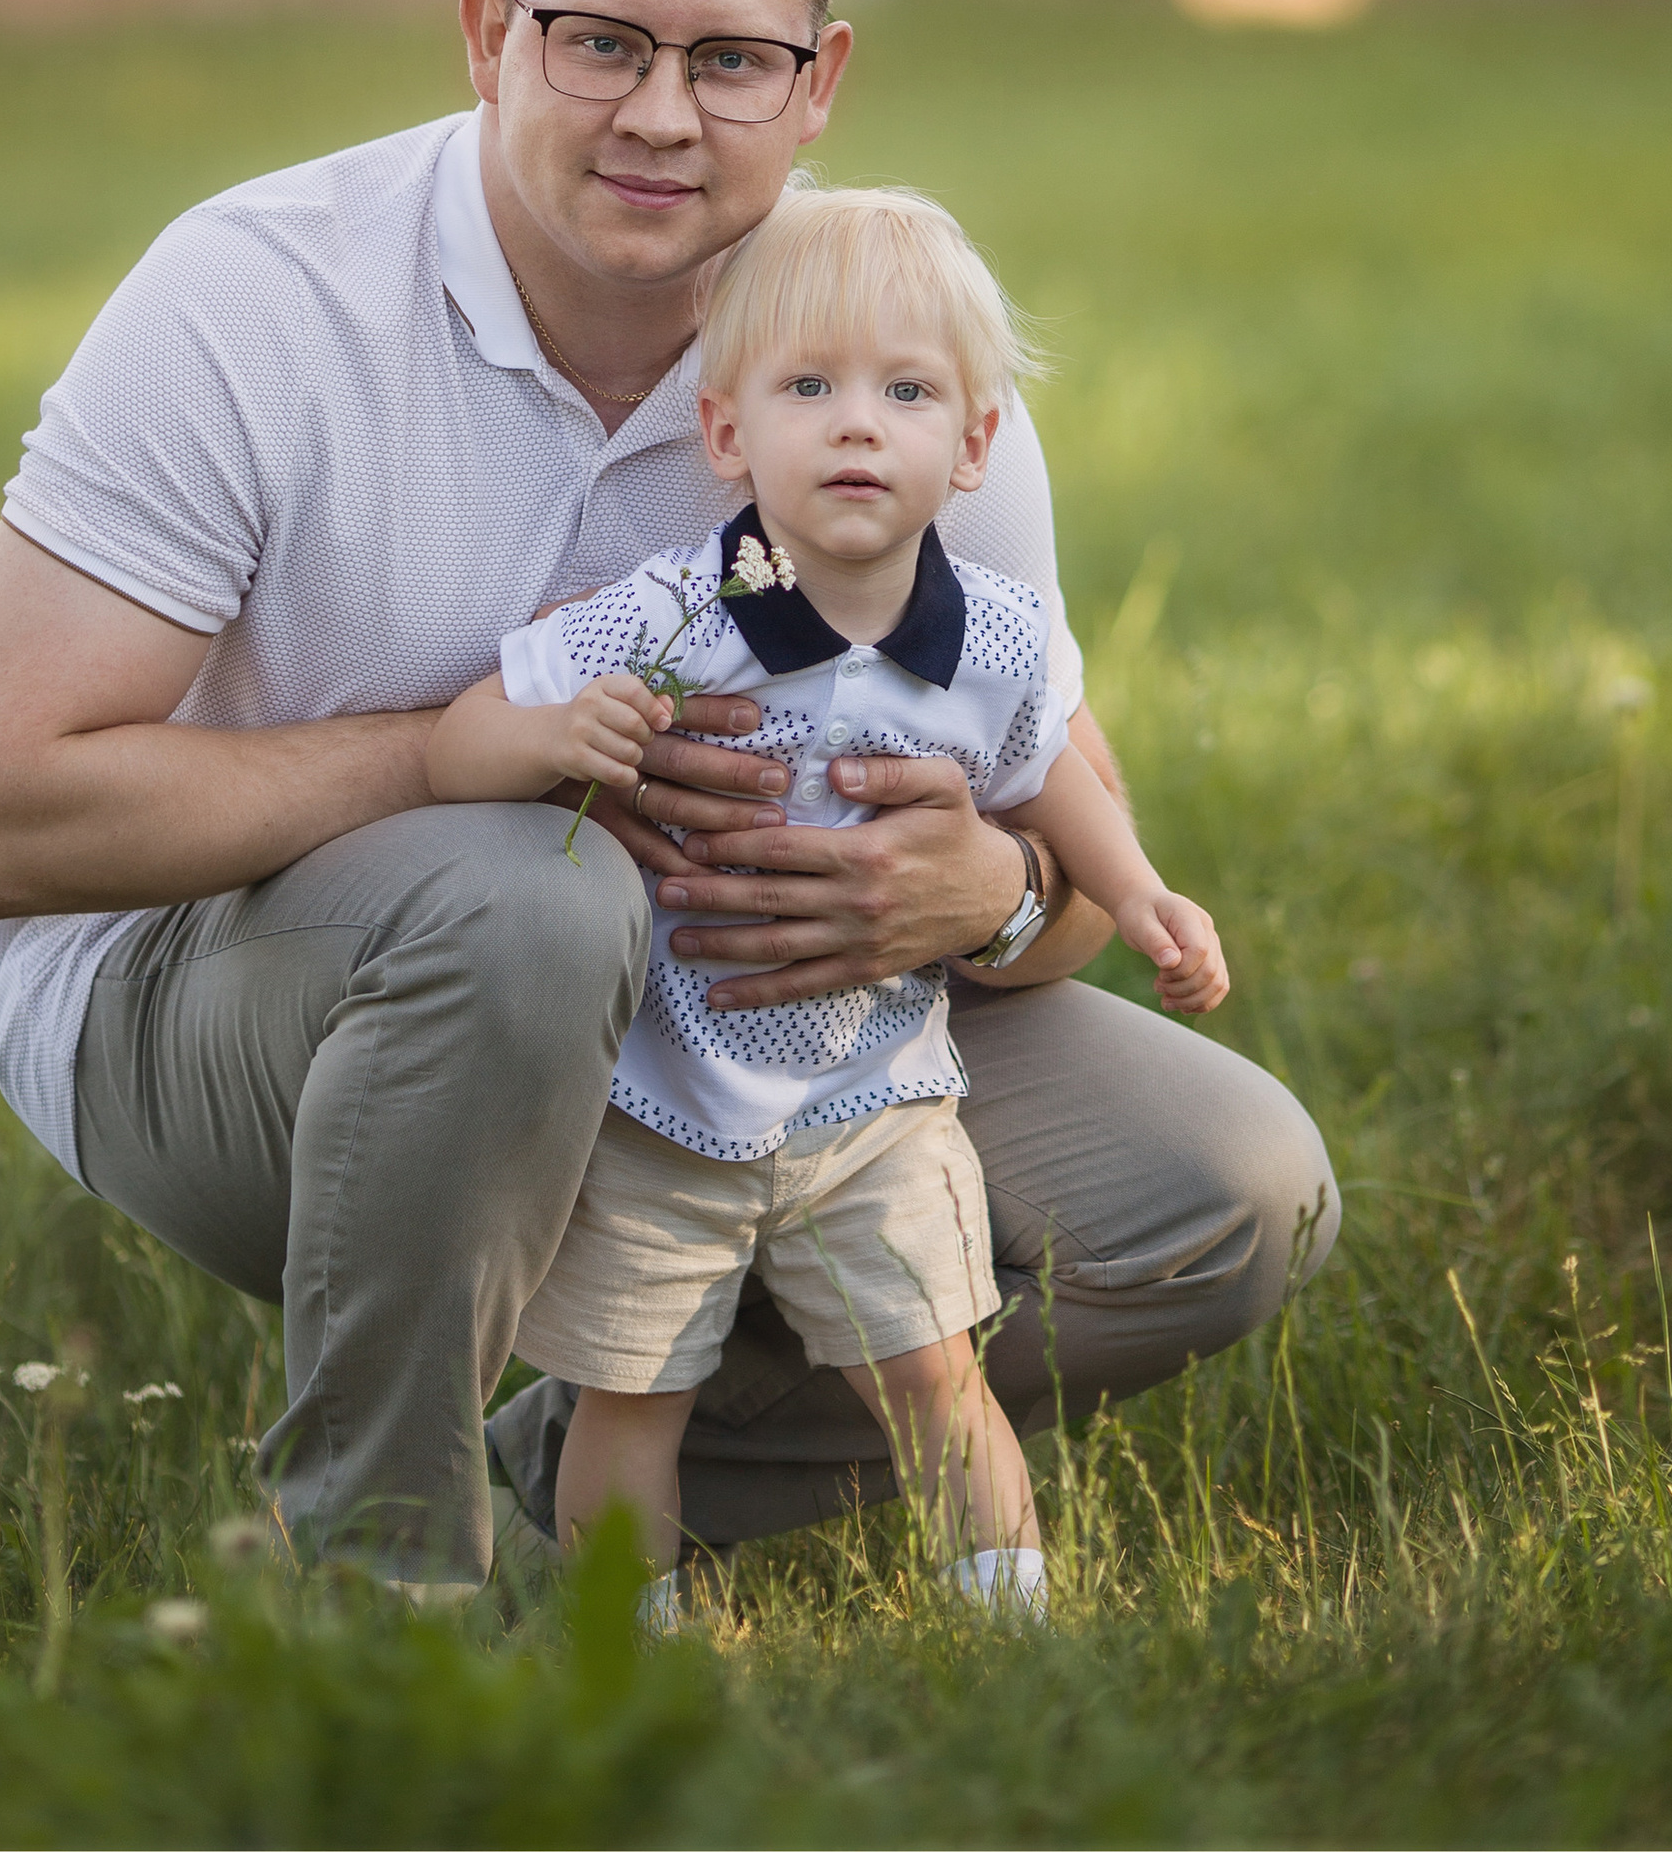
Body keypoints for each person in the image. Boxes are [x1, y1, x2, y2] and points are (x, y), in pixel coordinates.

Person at [0, 0, 1338, 1588]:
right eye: (601, 41)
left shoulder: (883, 357)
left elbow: (1053, 793)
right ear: (492, 32)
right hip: (227, 1008)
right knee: (531, 900)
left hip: (764, 1035)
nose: (663, 112)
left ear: (817, 85)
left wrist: (1008, 900)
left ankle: (583, 1478)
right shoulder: (252, 297)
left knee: (1226, 1189)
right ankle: (387, 1580)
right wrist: (458, 764)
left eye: (732, 58)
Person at [428, 180, 1231, 1621]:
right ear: (729, 431)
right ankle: (622, 1637)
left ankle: (1008, 1625)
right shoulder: (679, 610)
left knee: (934, 1377)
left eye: (908, 389)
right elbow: (465, 728)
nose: (860, 422)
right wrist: (551, 740)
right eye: (811, 384)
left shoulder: (992, 633)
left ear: (974, 440)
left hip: (881, 1102)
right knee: (631, 1399)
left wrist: (1147, 895)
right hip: (666, 1106)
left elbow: (1051, 776)